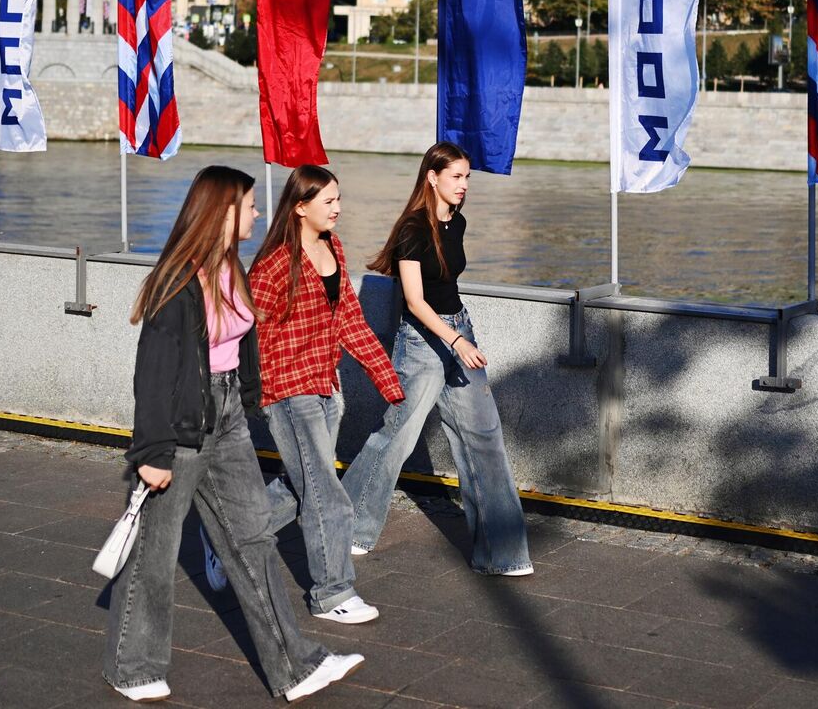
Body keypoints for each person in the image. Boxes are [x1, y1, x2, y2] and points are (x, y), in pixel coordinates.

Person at [105, 165, 362, 703]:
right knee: (154, 552)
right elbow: (152, 372)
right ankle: (133, 668)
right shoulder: (177, 279)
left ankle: (295, 668)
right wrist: (151, 452)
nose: (257, 213)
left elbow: (242, 344)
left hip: (227, 422)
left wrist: (246, 400)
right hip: (179, 429)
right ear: (223, 212)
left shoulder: (231, 266)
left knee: (254, 542)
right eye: (249, 205)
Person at [342, 142, 533, 576]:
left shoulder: (458, 221)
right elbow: (414, 300)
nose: (464, 185)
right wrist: (456, 342)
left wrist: (461, 336)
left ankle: (501, 553)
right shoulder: (413, 229)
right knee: (398, 436)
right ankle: (347, 526)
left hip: (457, 329)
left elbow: (448, 290)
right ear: (432, 177)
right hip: (423, 342)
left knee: (485, 437)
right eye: (456, 177)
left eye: (467, 177)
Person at [250, 165, 406, 625]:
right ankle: (331, 592)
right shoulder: (276, 262)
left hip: (324, 386)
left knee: (303, 486)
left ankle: (230, 535)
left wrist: (387, 379)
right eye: (329, 201)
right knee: (327, 495)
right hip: (287, 390)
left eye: (339, 199)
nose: (338, 208)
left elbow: (350, 322)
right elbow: (245, 327)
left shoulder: (333, 247)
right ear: (300, 207)